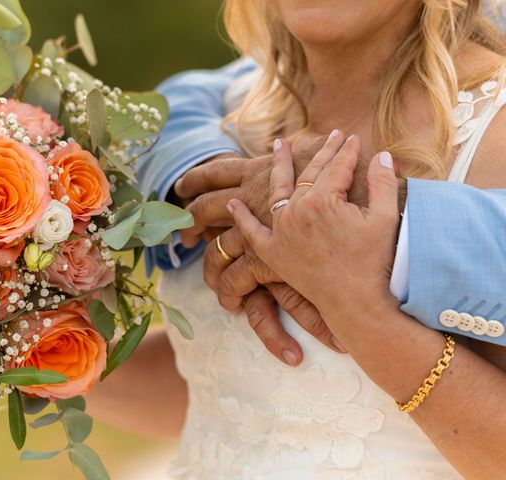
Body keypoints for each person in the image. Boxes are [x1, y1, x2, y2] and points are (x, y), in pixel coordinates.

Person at [91, 1, 506, 478]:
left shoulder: (493, 135)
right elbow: (241, 393)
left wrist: (358, 311)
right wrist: (49, 349)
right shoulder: (229, 116)